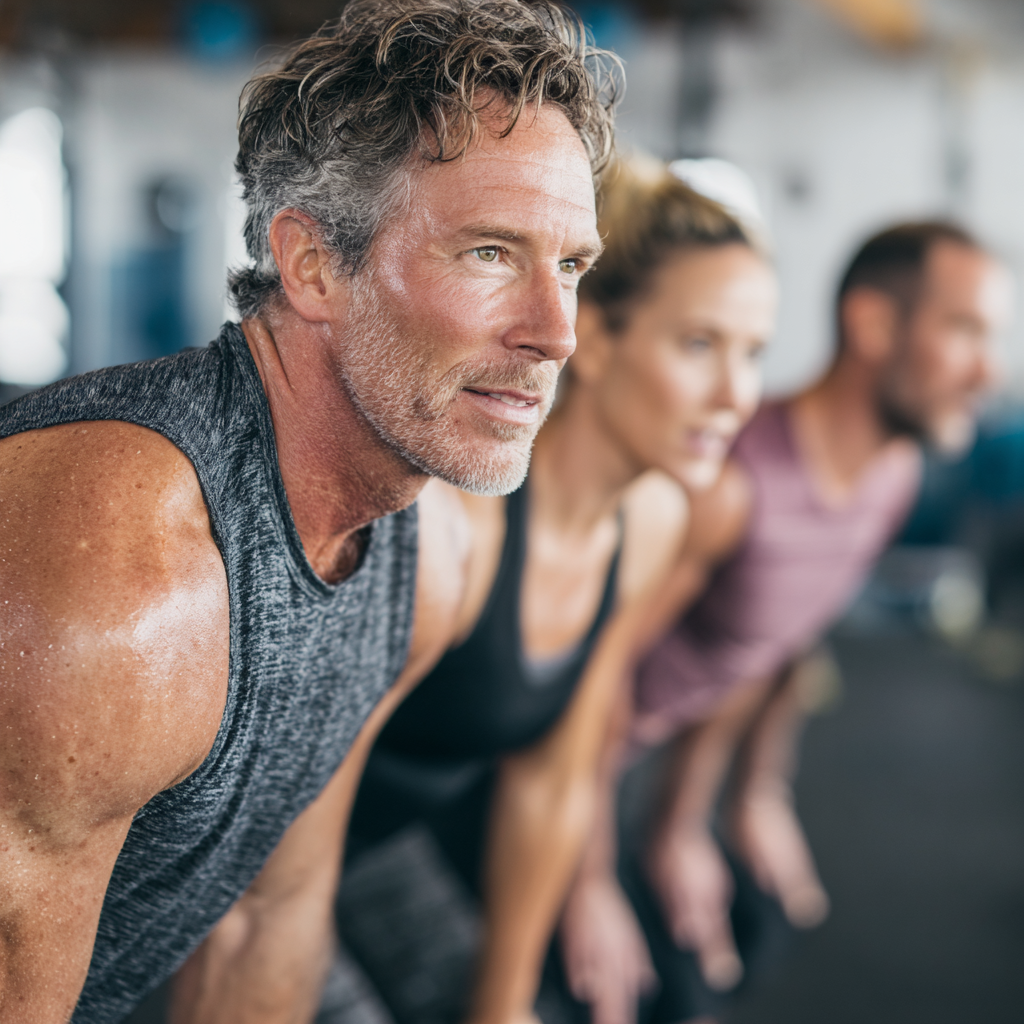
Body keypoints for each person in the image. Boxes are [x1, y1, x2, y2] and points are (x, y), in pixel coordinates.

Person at [0, 3, 616, 1020]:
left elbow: (263, 918)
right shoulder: (122, 584)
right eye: (490, 253)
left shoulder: (426, 555)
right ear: (314, 264)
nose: (556, 334)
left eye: (571, 266)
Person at [331, 154, 777, 1024]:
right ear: (598, 337)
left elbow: (556, 776)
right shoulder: (459, 526)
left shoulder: (652, 519)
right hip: (264, 866)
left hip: (397, 846)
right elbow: (293, 814)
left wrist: (500, 1005)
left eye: (753, 353)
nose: (737, 395)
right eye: (699, 345)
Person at [558, 221, 1013, 1024]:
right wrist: (591, 877)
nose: (990, 370)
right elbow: (592, 684)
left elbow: (766, 652)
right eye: (965, 331)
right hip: (555, 769)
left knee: (754, 928)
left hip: (643, 768)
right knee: (639, 994)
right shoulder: (728, 488)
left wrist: (733, 802)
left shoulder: (893, 476)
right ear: (873, 324)